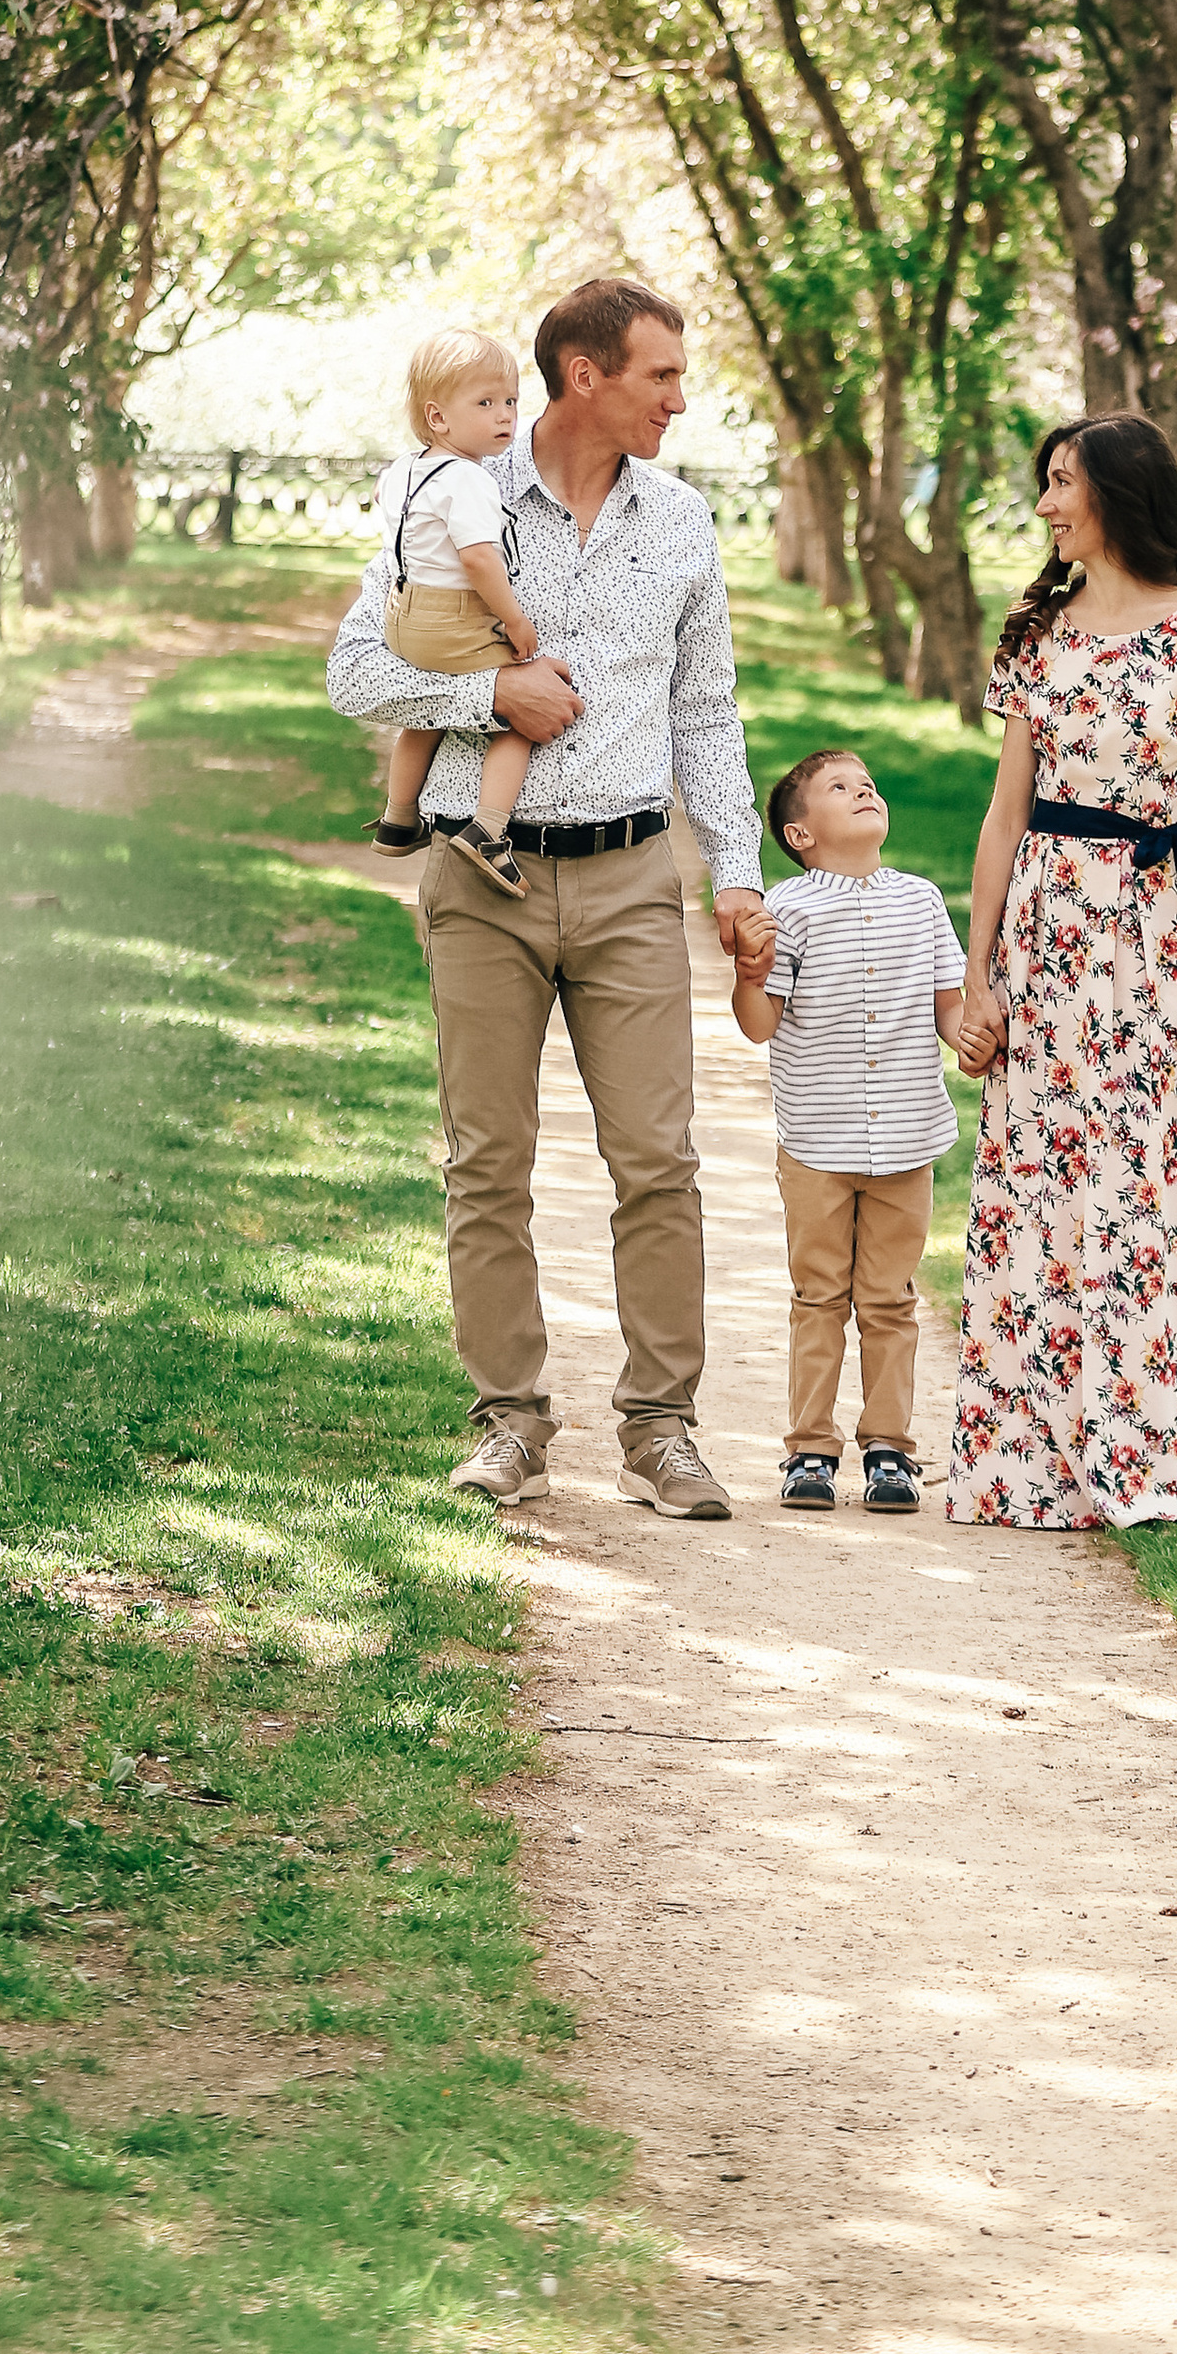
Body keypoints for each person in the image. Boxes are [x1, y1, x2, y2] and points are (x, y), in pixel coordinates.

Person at [325, 276, 768, 1523]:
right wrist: (488, 702)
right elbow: (356, 668)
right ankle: (509, 1422)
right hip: (482, 874)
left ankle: (662, 1429)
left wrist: (733, 870)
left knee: (658, 1163)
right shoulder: (446, 489)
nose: (679, 400)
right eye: (660, 377)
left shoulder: (680, 523)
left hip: (633, 877)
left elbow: (703, 712)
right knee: (488, 1161)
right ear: (586, 375)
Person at [948, 413, 1177, 1529]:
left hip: (1152, 938)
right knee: (1035, 1188)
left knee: (1144, 1190)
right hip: (1043, 931)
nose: (1043, 505)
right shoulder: (1036, 634)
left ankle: (1142, 1456)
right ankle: (1026, 1466)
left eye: (1061, 483)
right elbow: (1001, 815)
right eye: (1042, 483)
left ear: (1118, 493)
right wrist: (977, 975)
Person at [727, 749, 968, 1517]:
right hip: (817, 1142)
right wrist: (749, 973)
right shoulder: (788, 909)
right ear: (801, 834)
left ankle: (891, 1450)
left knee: (891, 1299)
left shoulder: (923, 901)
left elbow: (949, 1007)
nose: (865, 789)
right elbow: (760, 1027)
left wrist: (972, 1039)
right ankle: (809, 1450)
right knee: (819, 1296)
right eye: (841, 787)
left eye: (869, 782)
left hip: (907, 1139)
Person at [370, 327, 544, 891]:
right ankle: (488, 831)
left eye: (511, 402)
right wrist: (514, 619)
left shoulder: (404, 469)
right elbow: (478, 561)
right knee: (527, 706)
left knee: (428, 715)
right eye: (486, 403)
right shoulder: (468, 479)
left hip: (407, 613)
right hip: (452, 617)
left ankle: (398, 818)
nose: (505, 417)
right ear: (437, 417)